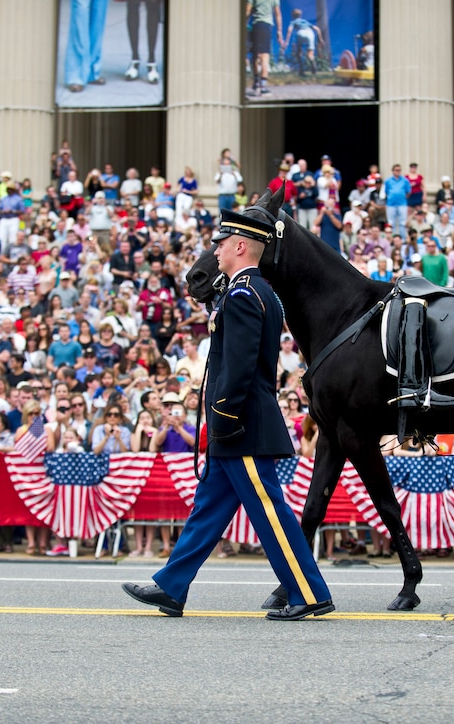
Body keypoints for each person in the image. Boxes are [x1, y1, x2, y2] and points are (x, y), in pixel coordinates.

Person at [123, 208, 333, 621]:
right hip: (239, 422)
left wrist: (222, 417)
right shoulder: (255, 292)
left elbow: (236, 369)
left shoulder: (243, 295)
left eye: (221, 243)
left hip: (241, 423)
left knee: (269, 511)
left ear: (241, 246)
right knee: (209, 508)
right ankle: (172, 586)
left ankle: (308, 591)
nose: (215, 249)